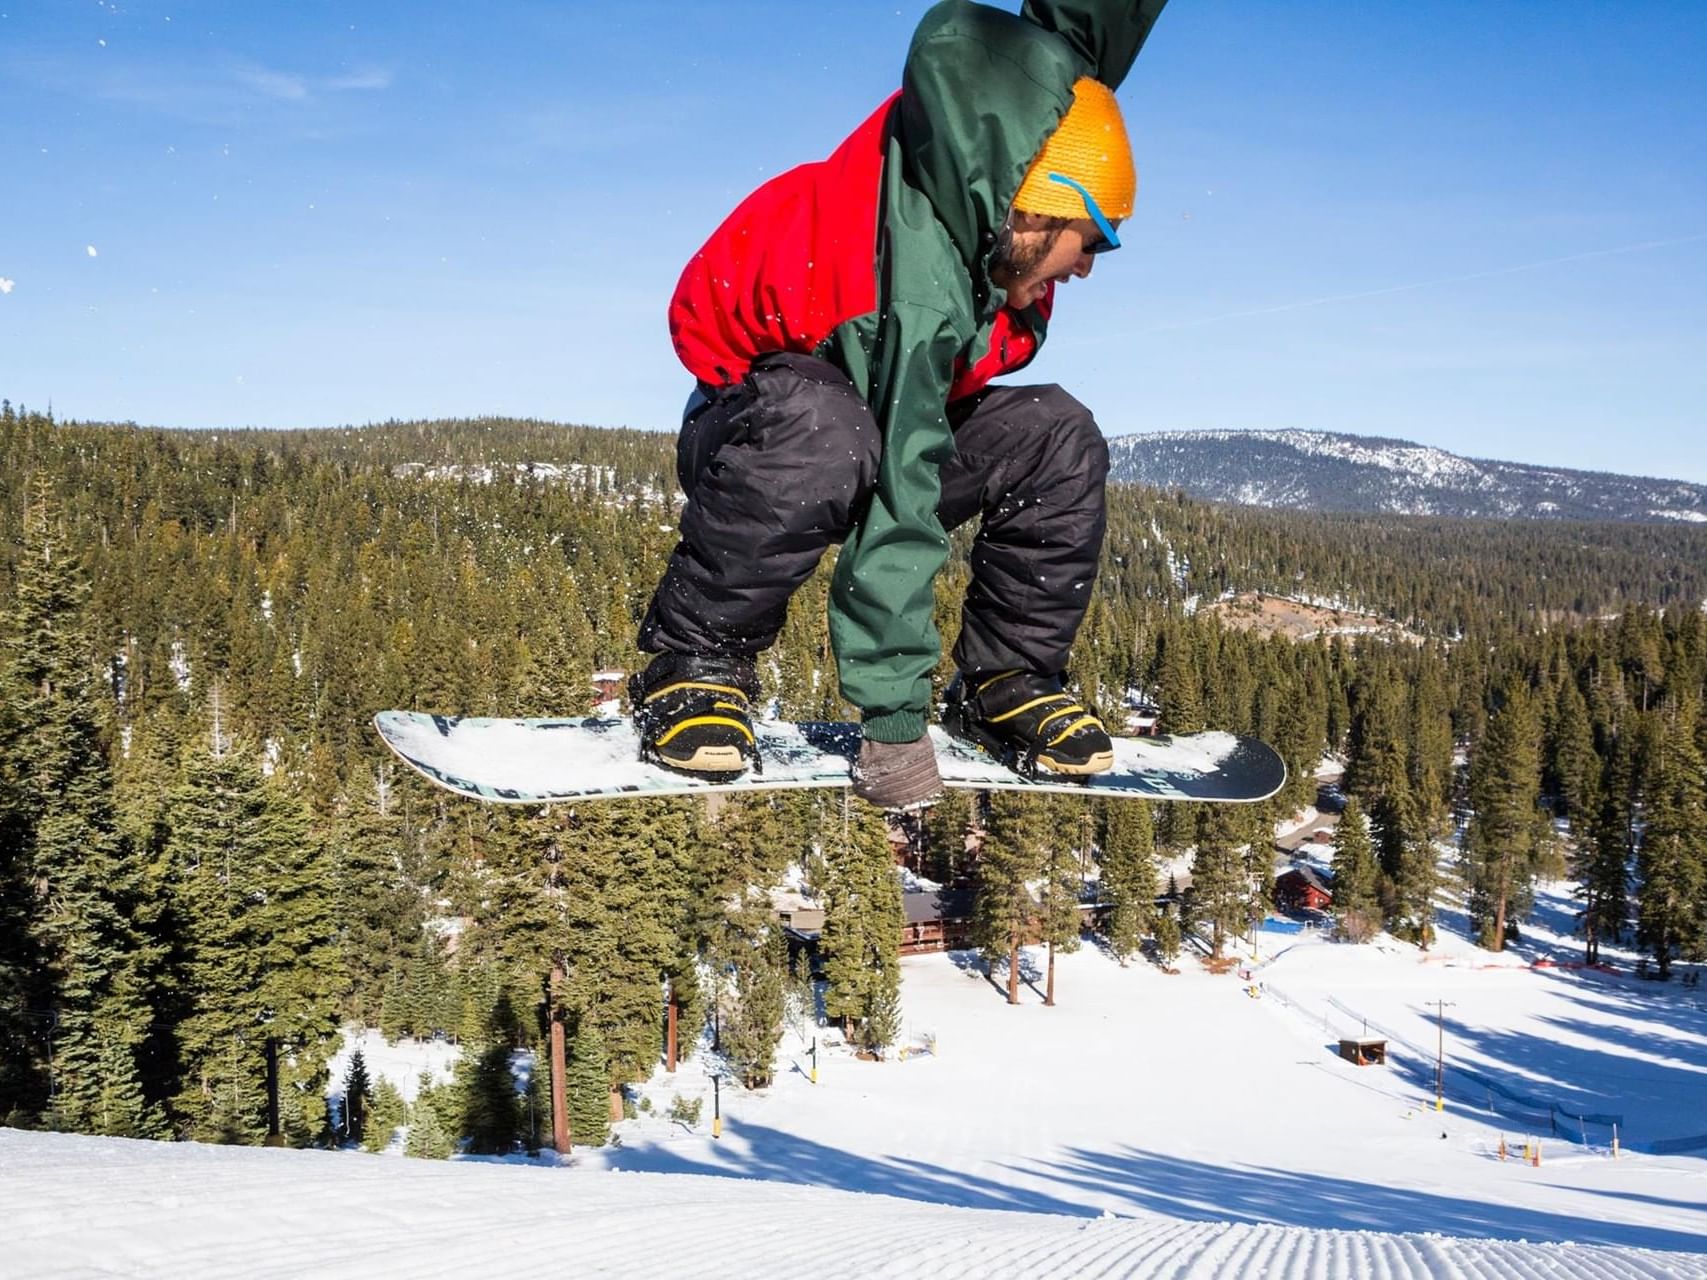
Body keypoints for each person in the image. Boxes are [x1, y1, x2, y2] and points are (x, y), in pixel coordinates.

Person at [632, 0, 1168, 808]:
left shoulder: (992, 160)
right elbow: (900, 506)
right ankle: (696, 663)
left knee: (1054, 431)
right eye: (1093, 240)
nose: (1089, 268)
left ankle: (1008, 680)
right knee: (826, 429)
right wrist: (893, 727)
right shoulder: (917, 293)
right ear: (1033, 209)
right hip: (760, 433)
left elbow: (1064, 50)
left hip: (866, 423)